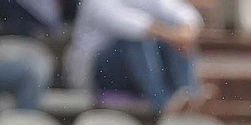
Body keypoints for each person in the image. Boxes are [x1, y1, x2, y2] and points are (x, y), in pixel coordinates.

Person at [62, 0, 205, 115]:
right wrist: (174, 36)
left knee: (180, 36)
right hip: (95, 73)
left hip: (133, 74)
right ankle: (163, 104)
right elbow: (133, 25)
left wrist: (186, 32)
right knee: (136, 39)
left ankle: (187, 94)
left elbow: (185, 13)